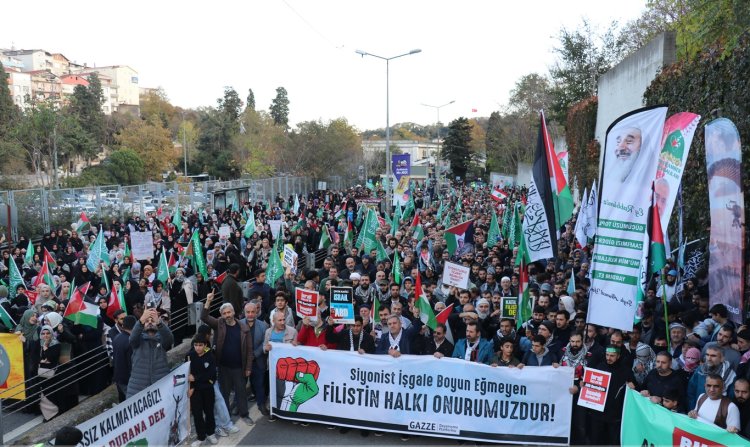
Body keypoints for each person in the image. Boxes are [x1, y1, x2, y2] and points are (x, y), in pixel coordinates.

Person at [201, 293, 255, 426]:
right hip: (223, 367)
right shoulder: (219, 324)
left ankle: (244, 414)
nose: (227, 315)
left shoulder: (243, 328)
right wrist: (208, 301)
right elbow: (204, 317)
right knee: (224, 394)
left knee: (241, 392)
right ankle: (226, 417)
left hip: (239, 367)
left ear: (233, 312)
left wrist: (248, 367)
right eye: (224, 313)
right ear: (222, 315)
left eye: (229, 312)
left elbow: (249, 350)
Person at [127, 307, 173, 398]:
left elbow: (170, 339)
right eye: (147, 321)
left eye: (153, 321)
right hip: (138, 388)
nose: (150, 322)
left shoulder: (162, 340)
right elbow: (132, 338)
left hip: (160, 387)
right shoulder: (138, 341)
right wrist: (141, 320)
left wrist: (159, 322)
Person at [187, 333, 219, 446]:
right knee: (197, 414)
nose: (198, 348)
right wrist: (191, 387)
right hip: (195, 390)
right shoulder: (190, 356)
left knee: (209, 412)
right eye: (196, 345)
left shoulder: (210, 356)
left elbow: (210, 374)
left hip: (207, 388)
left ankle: (210, 433)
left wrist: (195, 378)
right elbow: (187, 375)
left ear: (205, 345)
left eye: (200, 345)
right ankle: (201, 437)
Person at [241, 302, 270, 416]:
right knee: (241, 384)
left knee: (259, 383)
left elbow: (265, 342)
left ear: (257, 312)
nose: (250, 314)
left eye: (253, 312)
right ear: (244, 312)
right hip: (242, 361)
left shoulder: (263, 326)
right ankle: (238, 406)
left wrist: (254, 354)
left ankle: (261, 404)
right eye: (248, 312)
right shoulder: (239, 324)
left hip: (258, 360)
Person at [112, 316, 136, 402]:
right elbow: (131, 363)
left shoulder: (117, 338)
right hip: (128, 380)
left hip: (119, 378)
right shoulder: (130, 341)